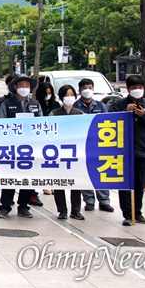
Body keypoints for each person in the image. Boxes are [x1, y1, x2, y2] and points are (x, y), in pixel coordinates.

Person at [109, 75, 145, 226]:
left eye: (140, 88)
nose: (137, 90)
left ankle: (137, 212)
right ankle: (127, 213)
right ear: (128, 89)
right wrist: (125, 112)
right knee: (125, 183)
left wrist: (143, 115)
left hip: (143, 149)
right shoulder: (119, 104)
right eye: (134, 88)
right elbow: (109, 120)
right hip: (123, 149)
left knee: (139, 183)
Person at [0, 74, 42, 219]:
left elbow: (40, 124)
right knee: (9, 178)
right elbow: (1, 124)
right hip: (12, 147)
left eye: (27, 86)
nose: (24, 88)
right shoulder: (6, 103)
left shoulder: (35, 104)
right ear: (15, 87)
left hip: (29, 147)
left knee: (27, 177)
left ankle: (23, 206)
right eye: (21, 86)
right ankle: (5, 206)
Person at [73, 78, 114, 213]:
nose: (87, 90)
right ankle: (89, 201)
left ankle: (104, 201)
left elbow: (107, 122)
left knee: (101, 171)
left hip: (99, 144)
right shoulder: (75, 106)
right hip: (82, 145)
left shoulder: (100, 106)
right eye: (85, 88)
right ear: (79, 91)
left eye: (90, 88)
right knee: (85, 172)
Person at [49, 85, 85, 220]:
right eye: (66, 95)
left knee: (76, 182)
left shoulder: (80, 114)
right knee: (59, 182)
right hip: (59, 153)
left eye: (72, 95)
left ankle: (76, 210)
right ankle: (62, 210)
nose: (69, 98)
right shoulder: (54, 113)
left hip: (75, 153)